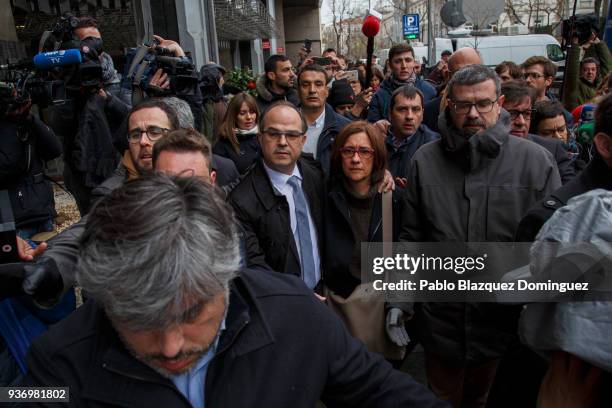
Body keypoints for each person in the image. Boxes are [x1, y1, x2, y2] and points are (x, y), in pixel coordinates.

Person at [21, 174, 447, 407]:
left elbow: (383, 393)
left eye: (190, 313)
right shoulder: (56, 363)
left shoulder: (297, 316)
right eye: (138, 320)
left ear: (228, 276)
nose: (170, 348)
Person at [400, 64, 561, 407]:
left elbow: (550, 250)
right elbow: (411, 237)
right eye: (462, 105)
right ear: (448, 105)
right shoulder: (424, 161)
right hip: (441, 324)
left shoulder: (536, 162)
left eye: (483, 104)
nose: (473, 113)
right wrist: (399, 300)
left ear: (500, 103)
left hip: (504, 329)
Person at [230, 102, 324, 289]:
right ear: (260, 138)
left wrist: (380, 176)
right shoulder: (240, 201)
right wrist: (295, 295)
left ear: (303, 141)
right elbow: (254, 265)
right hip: (281, 301)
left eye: (291, 135)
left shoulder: (314, 172)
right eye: (273, 134)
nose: (282, 142)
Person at [46, 15, 130, 215]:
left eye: (97, 41)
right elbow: (58, 126)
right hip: (81, 171)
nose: (94, 48)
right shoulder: (65, 82)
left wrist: (107, 98)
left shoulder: (117, 80)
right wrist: (73, 90)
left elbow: (130, 118)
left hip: (116, 167)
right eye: (87, 42)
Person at [516, 92, 612, 242]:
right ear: (605, 146)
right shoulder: (553, 221)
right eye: (548, 132)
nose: (558, 136)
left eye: (561, 130)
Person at [0, 96, 62, 239]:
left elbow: (55, 150)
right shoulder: (9, 126)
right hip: (12, 218)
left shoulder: (24, 121)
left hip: (42, 211)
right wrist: (9, 122)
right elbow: (6, 167)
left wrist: (29, 117)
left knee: (51, 259)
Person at [501, 80, 577, 184]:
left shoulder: (553, 149)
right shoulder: (479, 149)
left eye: (527, 113)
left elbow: (569, 193)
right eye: (512, 114)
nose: (521, 122)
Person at [297, 64, 351, 173]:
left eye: (318, 84)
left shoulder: (345, 128)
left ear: (326, 91)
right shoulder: (284, 126)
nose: (312, 90)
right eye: (306, 84)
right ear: (298, 90)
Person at [386, 86, 440, 187]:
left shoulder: (434, 144)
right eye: (402, 109)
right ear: (390, 113)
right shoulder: (378, 140)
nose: (409, 116)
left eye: (415, 109)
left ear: (423, 113)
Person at [367, 44, 436, 123]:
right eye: (398, 61)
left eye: (408, 60)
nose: (404, 66)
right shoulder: (379, 96)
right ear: (390, 65)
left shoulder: (429, 91)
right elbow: (372, 127)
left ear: (414, 62)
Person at [423, 47, 482, 133]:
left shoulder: (496, 107)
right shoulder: (430, 112)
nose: (468, 78)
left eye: (473, 71)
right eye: (460, 73)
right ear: (449, 76)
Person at [213, 92, 260, 174]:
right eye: (242, 113)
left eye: (252, 112)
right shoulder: (222, 146)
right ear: (233, 116)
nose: (249, 117)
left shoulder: (264, 137)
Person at [563, 32, 612, 110]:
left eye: (593, 69)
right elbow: (572, 70)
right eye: (586, 69)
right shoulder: (576, 86)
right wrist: (576, 45)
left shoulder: (601, 85)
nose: (590, 72)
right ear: (581, 71)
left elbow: (608, 66)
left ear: (597, 71)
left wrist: (598, 43)